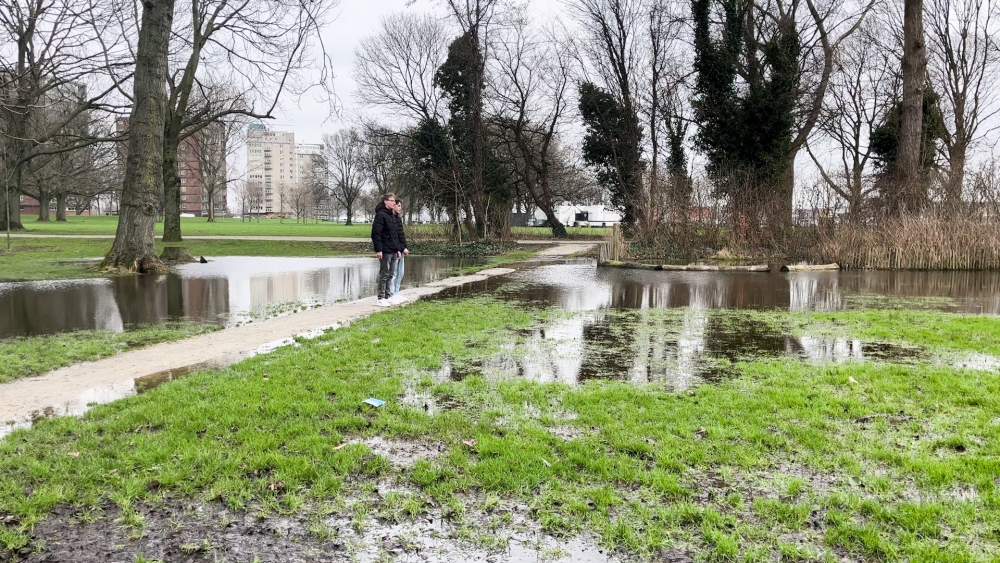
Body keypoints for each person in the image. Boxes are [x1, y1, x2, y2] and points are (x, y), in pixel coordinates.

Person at [371, 193, 402, 307]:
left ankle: (388, 296)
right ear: (385, 202)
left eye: (394, 201)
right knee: (384, 274)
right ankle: (380, 298)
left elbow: (395, 235)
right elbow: (376, 234)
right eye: (392, 200)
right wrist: (379, 250)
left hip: (393, 249)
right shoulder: (381, 215)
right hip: (384, 249)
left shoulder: (392, 215)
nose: (394, 202)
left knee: (391, 274)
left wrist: (398, 249)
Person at [388, 198, 409, 303]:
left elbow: (401, 235)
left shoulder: (398, 219)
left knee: (401, 272)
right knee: (394, 272)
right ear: (394, 206)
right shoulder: (391, 218)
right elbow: (394, 236)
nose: (400, 208)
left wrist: (404, 247)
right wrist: (400, 248)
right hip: (395, 250)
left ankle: (396, 292)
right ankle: (391, 294)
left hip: (401, 249)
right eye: (399, 205)